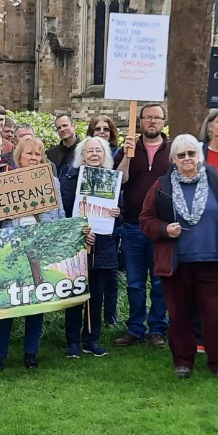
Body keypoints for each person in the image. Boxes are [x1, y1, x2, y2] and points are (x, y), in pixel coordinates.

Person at [139, 134, 218, 382]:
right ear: (173, 159)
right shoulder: (162, 185)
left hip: (212, 260)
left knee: (214, 314)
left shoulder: (216, 180)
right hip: (177, 262)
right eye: (181, 155)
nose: (187, 159)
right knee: (179, 315)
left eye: (191, 153)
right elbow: (145, 220)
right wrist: (165, 230)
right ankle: (183, 360)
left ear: (199, 155)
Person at [0, 135, 65, 371]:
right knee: (8, 303)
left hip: (39, 249)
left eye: (38, 154)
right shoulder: (3, 182)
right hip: (11, 249)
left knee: (36, 304)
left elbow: (60, 217)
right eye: (29, 153)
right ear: (19, 157)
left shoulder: (53, 183)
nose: (34, 158)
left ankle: (31, 353)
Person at [115, 102, 170, 348]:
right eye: (147, 117)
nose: (152, 122)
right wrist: (126, 157)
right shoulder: (130, 148)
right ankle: (135, 328)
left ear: (163, 122)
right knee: (135, 282)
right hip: (132, 225)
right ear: (140, 121)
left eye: (157, 118)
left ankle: (157, 328)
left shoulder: (172, 150)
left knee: (159, 282)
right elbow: (120, 181)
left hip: (161, 227)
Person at [60, 135, 117, 358]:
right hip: (77, 245)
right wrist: (79, 231)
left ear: (105, 155)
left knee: (97, 294)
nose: (94, 154)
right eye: (89, 151)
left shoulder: (110, 179)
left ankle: (91, 339)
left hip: (102, 246)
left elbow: (117, 211)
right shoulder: (71, 178)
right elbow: (64, 211)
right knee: (76, 294)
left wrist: (116, 213)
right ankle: (72, 341)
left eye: (99, 151)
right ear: (81, 155)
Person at [87, 114, 122, 325]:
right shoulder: (75, 176)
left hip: (107, 236)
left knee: (107, 279)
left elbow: (121, 209)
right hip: (85, 237)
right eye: (97, 128)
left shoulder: (111, 177)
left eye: (106, 129)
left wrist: (117, 213)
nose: (102, 132)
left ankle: (106, 321)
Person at [46, 111, 80, 185]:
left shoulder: (85, 150)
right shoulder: (51, 153)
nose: (62, 129)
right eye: (59, 128)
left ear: (74, 126)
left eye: (65, 125)